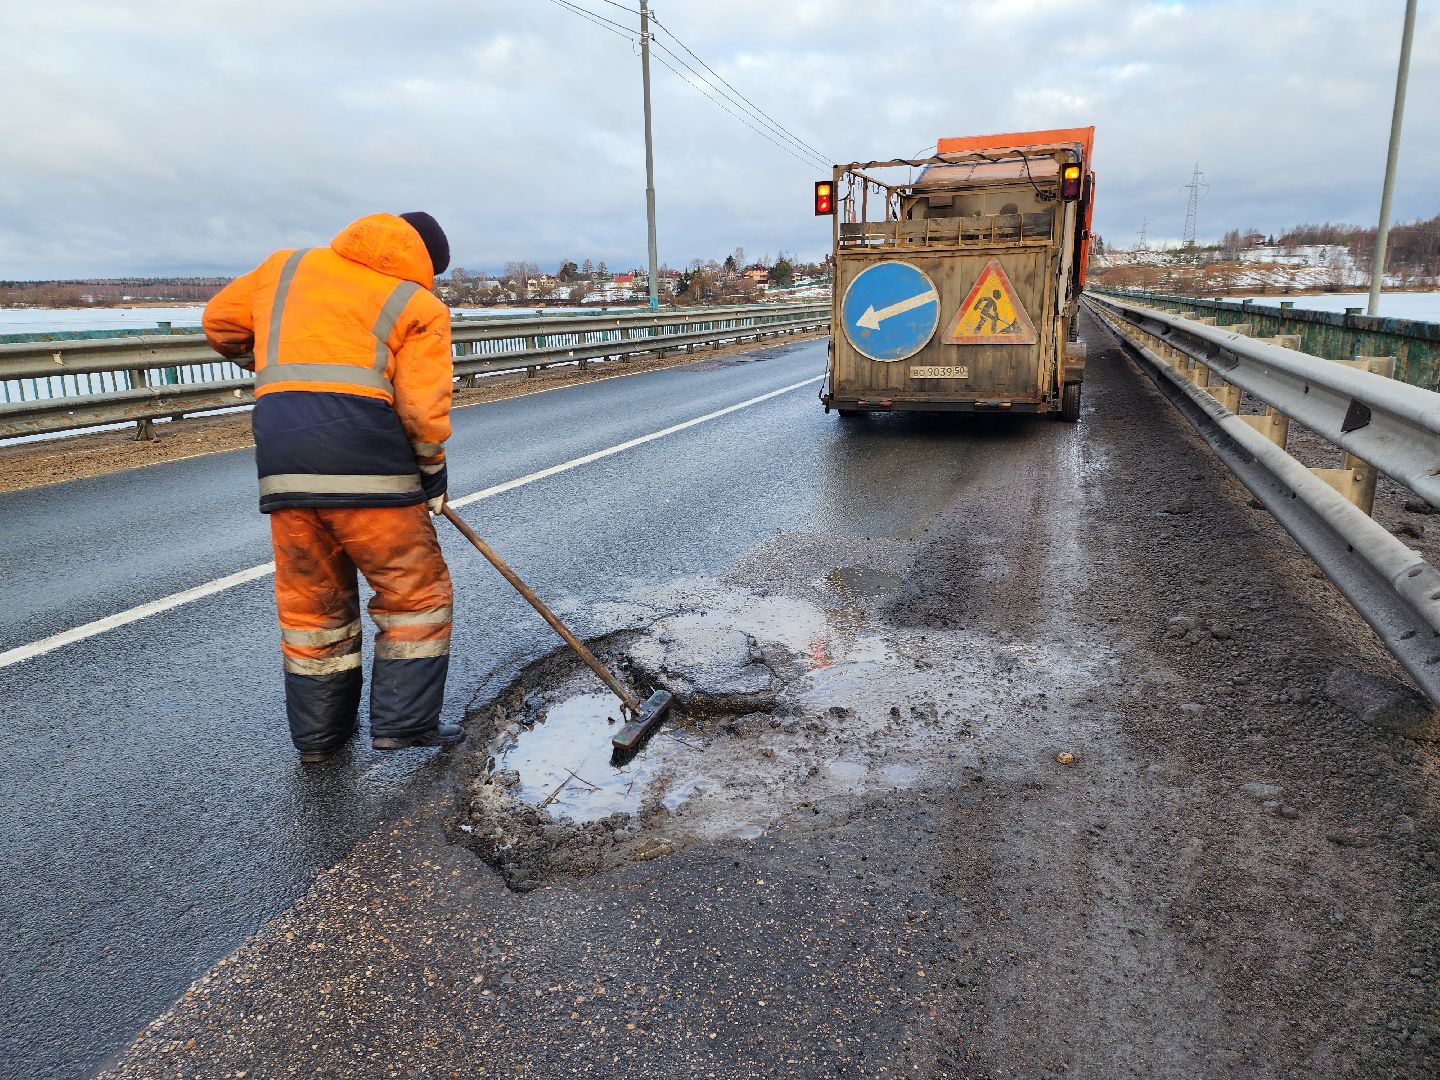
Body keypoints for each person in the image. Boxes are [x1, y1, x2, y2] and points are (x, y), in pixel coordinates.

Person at [203, 212, 464, 762]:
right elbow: (421, 410)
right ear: (424, 263)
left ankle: (320, 741)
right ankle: (404, 725)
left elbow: (219, 323)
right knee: (413, 593)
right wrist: (432, 474)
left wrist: (281, 360)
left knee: (312, 607)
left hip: (284, 463)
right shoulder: (416, 305)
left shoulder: (286, 267)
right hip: (370, 466)